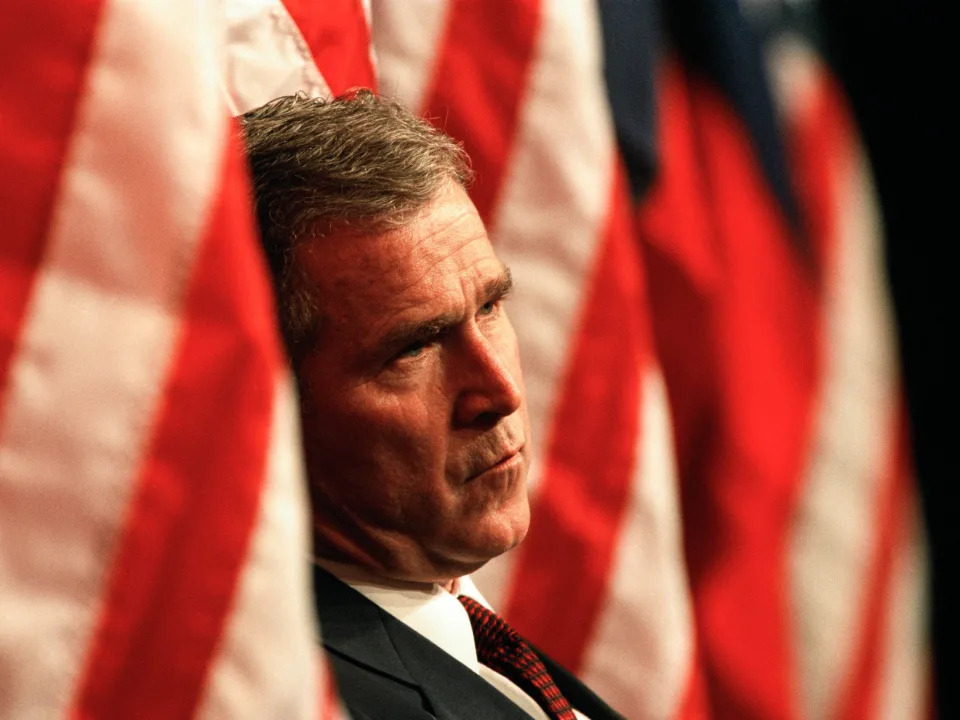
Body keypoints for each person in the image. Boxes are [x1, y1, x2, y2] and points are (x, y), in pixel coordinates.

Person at [241, 91, 623, 720]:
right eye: (415, 346)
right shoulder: (305, 698)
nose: (500, 392)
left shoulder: (474, 642)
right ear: (275, 403)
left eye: (491, 307)